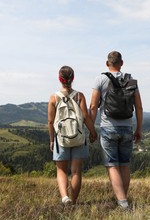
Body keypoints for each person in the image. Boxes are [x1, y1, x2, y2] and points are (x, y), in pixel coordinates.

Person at [89, 51, 143, 209]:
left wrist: (91, 128)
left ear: (107, 63)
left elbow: (93, 106)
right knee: (124, 165)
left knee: (112, 165)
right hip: (127, 127)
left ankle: (123, 203)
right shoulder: (131, 81)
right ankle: (122, 199)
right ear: (122, 63)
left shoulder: (100, 79)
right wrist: (138, 128)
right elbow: (139, 107)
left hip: (108, 128)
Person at [48, 65, 97, 205]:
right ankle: (73, 201)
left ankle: (65, 197)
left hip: (61, 138)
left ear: (59, 79)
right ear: (73, 78)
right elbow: (85, 117)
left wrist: (52, 140)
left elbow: (50, 121)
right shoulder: (79, 96)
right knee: (76, 171)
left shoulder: (54, 98)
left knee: (61, 170)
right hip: (78, 137)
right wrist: (93, 132)